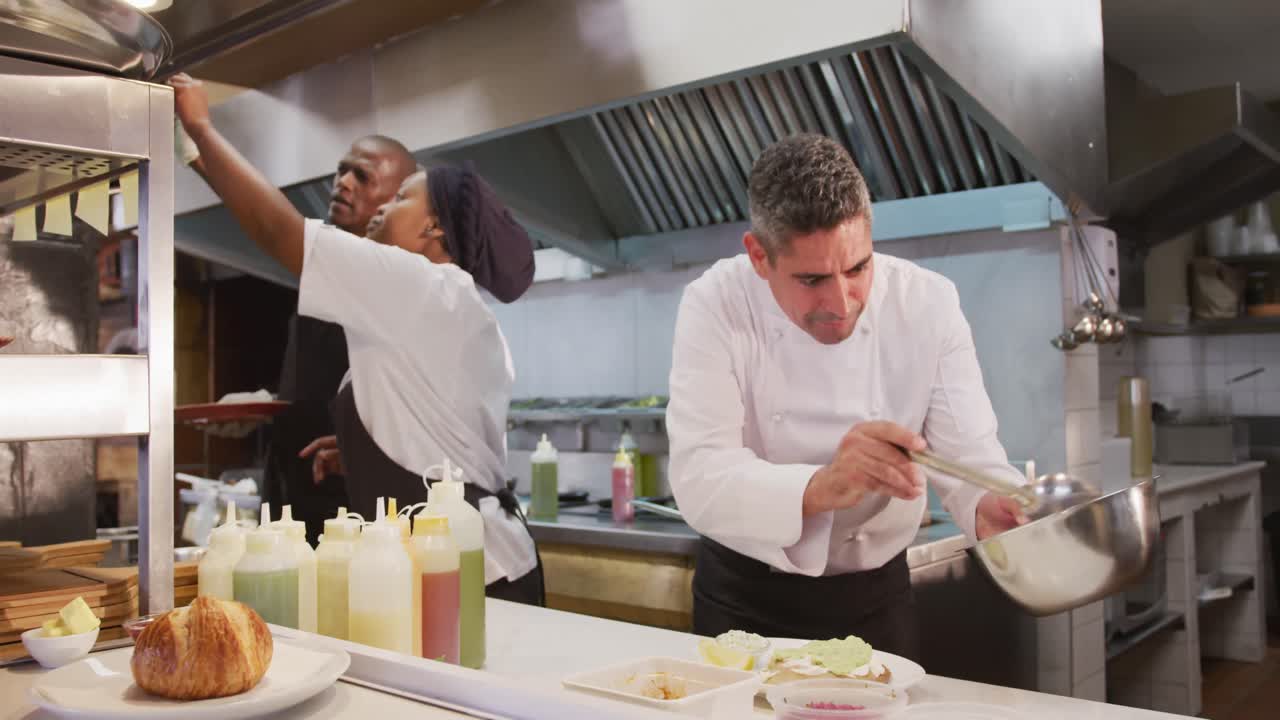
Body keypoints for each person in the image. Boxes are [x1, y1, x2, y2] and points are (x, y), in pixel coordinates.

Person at [171, 74, 543, 604]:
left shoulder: (415, 284)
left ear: (433, 228)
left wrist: (202, 129)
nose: (384, 209)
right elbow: (437, 433)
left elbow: (278, 230)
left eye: (401, 199)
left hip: (474, 576)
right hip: (456, 566)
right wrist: (362, 449)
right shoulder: (445, 300)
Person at [666, 134, 1027, 658]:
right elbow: (700, 476)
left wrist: (992, 502)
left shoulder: (928, 303)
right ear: (759, 256)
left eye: (858, 268)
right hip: (745, 599)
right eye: (812, 279)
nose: (841, 302)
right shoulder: (716, 303)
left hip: (875, 601)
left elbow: (968, 454)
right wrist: (826, 485)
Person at [184, 115, 417, 546]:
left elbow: (269, 223)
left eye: (362, 177)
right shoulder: (332, 272)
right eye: (342, 171)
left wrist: (196, 138)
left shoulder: (395, 280)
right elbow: (326, 380)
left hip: (354, 518)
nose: (343, 183)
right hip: (291, 500)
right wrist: (266, 405)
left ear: (397, 200)